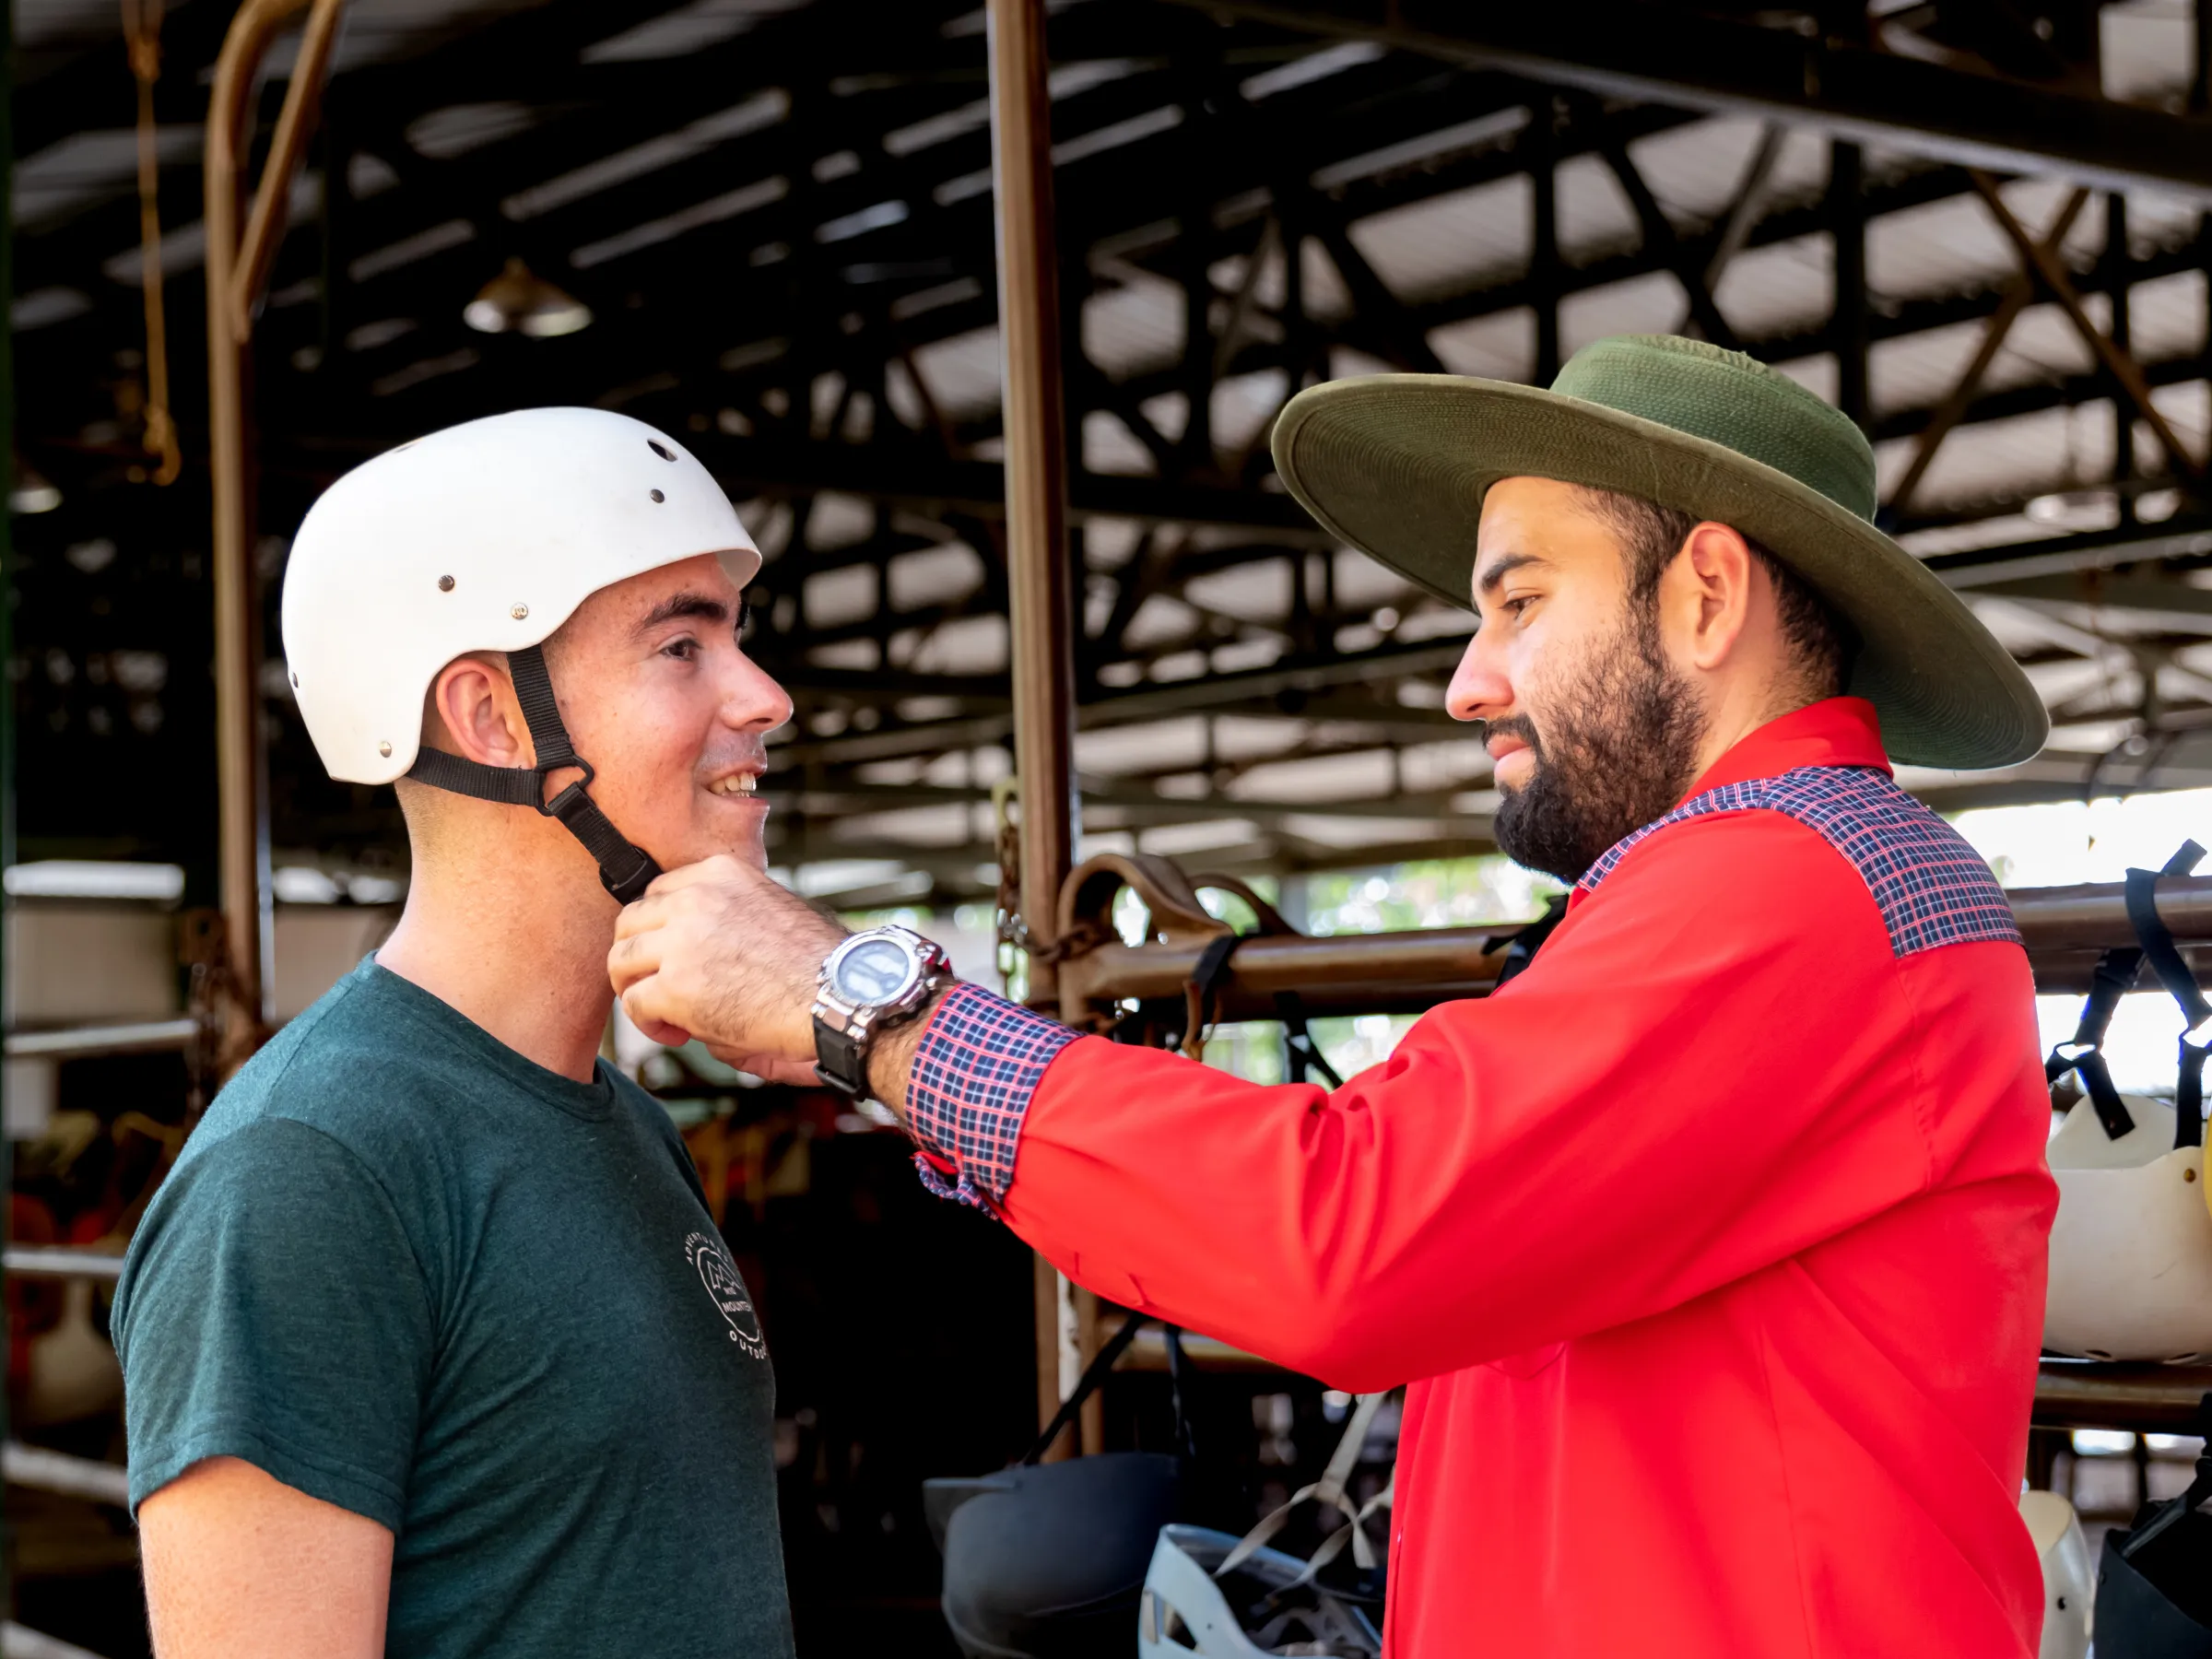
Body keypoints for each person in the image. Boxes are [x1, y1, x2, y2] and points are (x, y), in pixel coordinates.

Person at [608, 335, 2059, 1658]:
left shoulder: (1790, 885)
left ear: (1707, 596)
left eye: (1522, 604)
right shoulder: (1781, 882)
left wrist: (869, 1011)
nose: (1466, 682)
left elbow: (1351, 1236)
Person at [112, 409, 798, 1659]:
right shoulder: (311, 1172)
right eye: (682, 645)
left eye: (735, 638)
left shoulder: (623, 1120)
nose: (765, 696)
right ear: (490, 717)